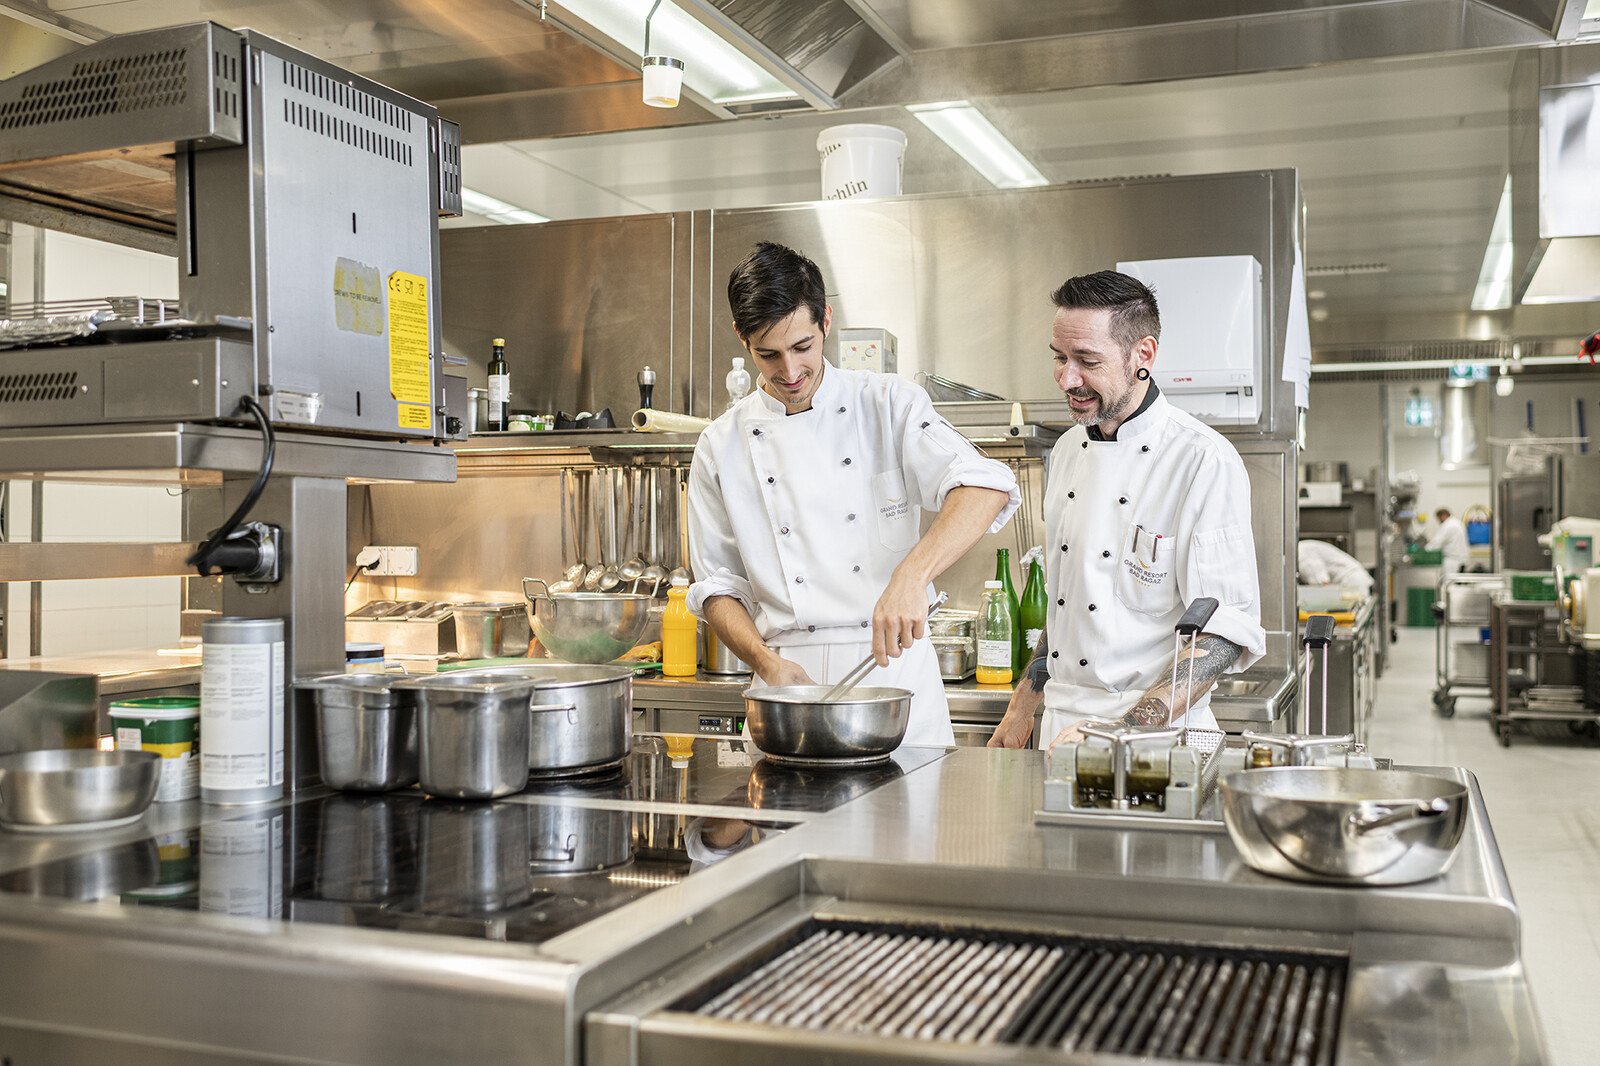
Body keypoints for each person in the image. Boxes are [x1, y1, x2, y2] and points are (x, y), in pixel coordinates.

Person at [687, 242, 1020, 748]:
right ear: (741, 338)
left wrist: (912, 576)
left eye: (802, 347)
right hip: (786, 682)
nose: (791, 371)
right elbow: (717, 585)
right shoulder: (720, 444)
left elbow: (985, 486)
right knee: (785, 826)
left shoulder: (887, 403)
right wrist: (764, 661)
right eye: (768, 354)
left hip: (893, 671)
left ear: (825, 320)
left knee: (908, 824)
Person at [989, 271, 1267, 749]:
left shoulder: (1202, 459)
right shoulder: (1068, 451)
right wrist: (1021, 709)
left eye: (1087, 361)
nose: (1066, 378)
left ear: (1143, 355)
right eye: (1059, 358)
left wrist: (1123, 731)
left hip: (1155, 742)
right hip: (1061, 726)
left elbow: (1222, 633)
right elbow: (1066, 602)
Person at [1297, 539, 1374, 594]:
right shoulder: (1302, 548)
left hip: (1352, 582)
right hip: (1354, 580)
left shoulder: (1301, 555)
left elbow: (1321, 584)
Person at [1425, 507, 1470, 577]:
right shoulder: (1457, 522)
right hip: (1462, 559)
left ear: (1443, 516)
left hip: (1452, 560)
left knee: (1449, 584)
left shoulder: (1447, 525)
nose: (1439, 521)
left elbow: (1436, 543)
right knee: (1457, 584)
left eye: (1438, 518)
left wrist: (1426, 547)